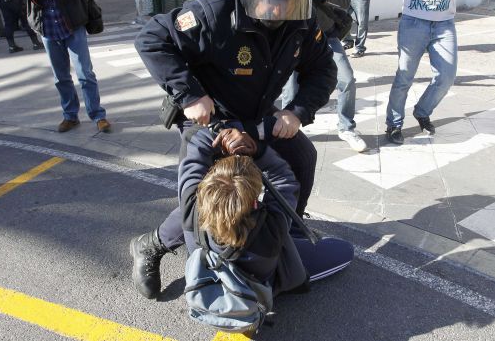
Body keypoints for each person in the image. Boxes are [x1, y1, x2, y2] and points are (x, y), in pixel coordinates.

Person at [136, 0, 337, 219]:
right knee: (206, 194)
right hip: (211, 117)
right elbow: (152, 38)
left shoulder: (301, 20)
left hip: (258, 113)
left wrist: (297, 112)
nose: (281, 4)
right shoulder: (213, 13)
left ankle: (289, 229)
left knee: (302, 158)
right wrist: (190, 95)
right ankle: (156, 245)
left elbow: (323, 69)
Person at [130, 123, 354, 299]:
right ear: (255, 199)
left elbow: (191, 157)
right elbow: (284, 177)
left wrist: (215, 133)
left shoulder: (192, 211)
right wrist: (258, 150)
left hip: (212, 279)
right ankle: (266, 290)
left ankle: (151, 244)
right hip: (260, 280)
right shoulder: (274, 225)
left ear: (204, 192)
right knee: (344, 250)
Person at [385, 0, 483, 145]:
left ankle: (422, 110)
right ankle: (394, 124)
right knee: (404, 77)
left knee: (447, 77)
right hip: (413, 18)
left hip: (444, 22)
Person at [5, 0, 111, 134]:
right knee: (60, 77)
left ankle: (97, 115)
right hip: (47, 27)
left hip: (72, 23)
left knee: (85, 74)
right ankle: (70, 116)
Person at [281, 0, 367, 152]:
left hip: (324, 35)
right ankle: (289, 133)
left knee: (347, 79)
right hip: (292, 37)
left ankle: (347, 127)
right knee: (289, 90)